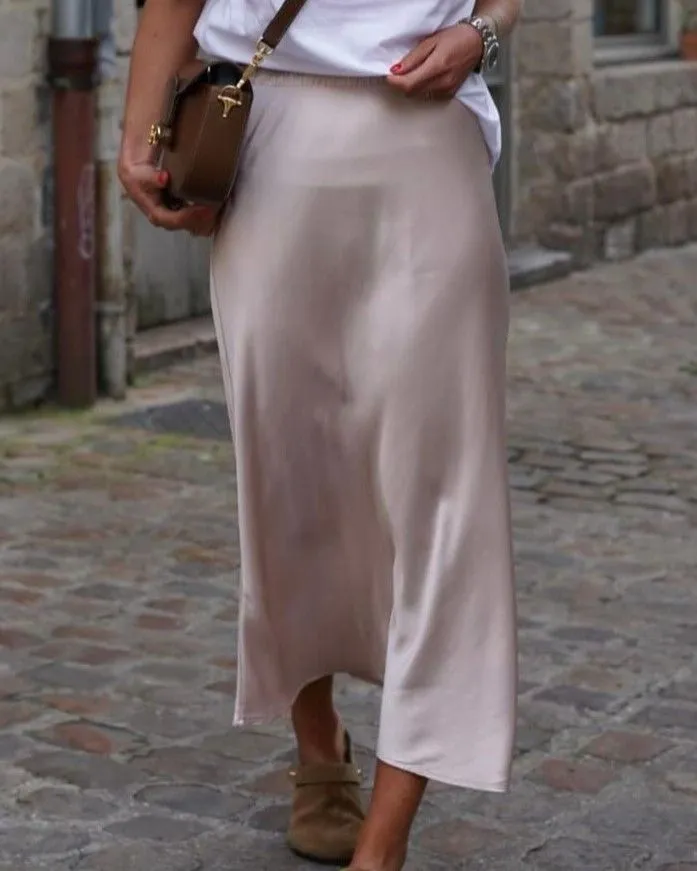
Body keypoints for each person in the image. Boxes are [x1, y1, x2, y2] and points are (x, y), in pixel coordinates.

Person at [119, 1, 522, 869]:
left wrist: (483, 32)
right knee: (289, 478)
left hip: (427, 145)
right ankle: (317, 745)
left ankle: (383, 843)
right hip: (271, 137)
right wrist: (142, 132)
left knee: (445, 497)